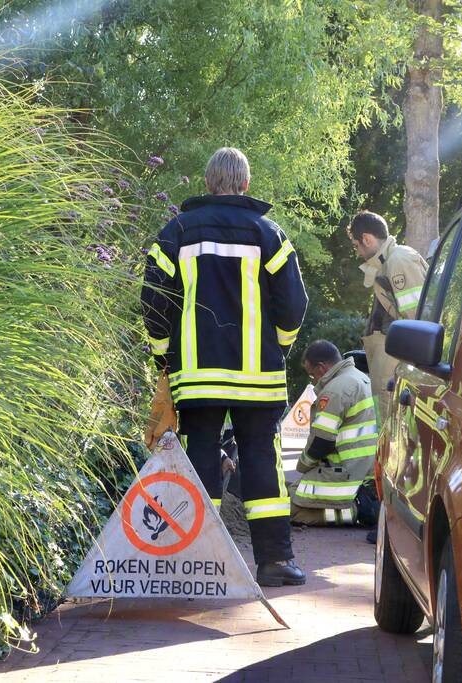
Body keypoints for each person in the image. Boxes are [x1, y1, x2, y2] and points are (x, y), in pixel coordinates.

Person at [140, 147, 309, 587]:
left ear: (208, 182)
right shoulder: (269, 234)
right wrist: (279, 347)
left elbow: (153, 300)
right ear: (246, 184)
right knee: (261, 458)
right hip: (258, 375)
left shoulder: (177, 231)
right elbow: (293, 305)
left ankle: (199, 563)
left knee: (200, 458)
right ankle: (275, 562)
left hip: (197, 375)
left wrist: (164, 356)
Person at [348, 211, 428, 413]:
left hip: (396, 362)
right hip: (390, 360)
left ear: (367, 239)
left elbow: (419, 320)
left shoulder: (399, 260)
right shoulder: (388, 263)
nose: (357, 252)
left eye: (356, 245)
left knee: (389, 421)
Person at [290, 341, 378, 527]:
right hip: (365, 473)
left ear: (321, 367)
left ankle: (353, 512)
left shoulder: (335, 389)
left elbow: (322, 442)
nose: (313, 380)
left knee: (289, 508)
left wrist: (302, 465)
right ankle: (361, 507)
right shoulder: (361, 378)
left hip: (344, 475)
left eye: (312, 374)